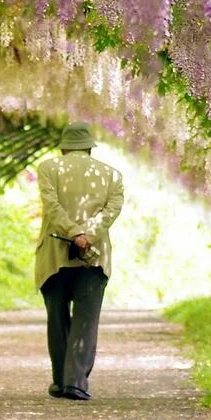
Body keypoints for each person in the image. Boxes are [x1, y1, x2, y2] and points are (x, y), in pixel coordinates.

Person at [34, 123, 124, 401]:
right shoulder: (112, 175)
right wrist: (87, 235)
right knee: (86, 319)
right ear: (89, 147)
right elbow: (112, 211)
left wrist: (72, 233)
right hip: (94, 256)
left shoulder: (48, 168)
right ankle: (76, 382)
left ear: (63, 147)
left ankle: (61, 381)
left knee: (57, 318)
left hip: (54, 253)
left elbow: (52, 206)